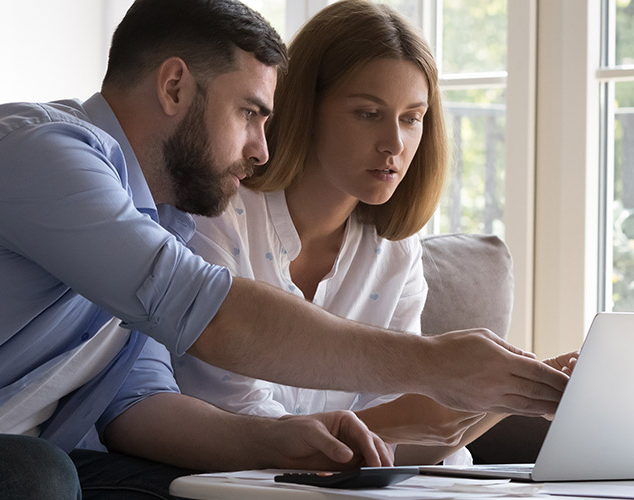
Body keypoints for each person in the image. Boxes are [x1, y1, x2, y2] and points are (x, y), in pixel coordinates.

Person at [0, 1, 568, 499]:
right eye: (251, 114)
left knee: (179, 491)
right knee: (33, 482)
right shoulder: (37, 153)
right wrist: (432, 363)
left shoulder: (158, 223)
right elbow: (214, 317)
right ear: (175, 86)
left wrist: (286, 446)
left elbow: (137, 407)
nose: (264, 150)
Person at [175, 1, 575, 467]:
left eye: (411, 118)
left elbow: (399, 449)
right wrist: (408, 414)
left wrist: (503, 399)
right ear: (304, 107)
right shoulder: (217, 213)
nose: (395, 144)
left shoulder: (394, 252)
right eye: (368, 113)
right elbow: (242, 426)